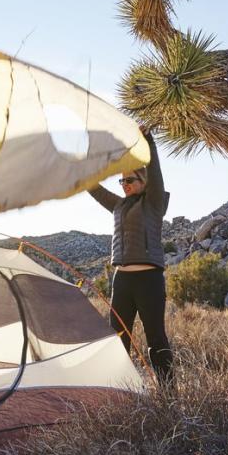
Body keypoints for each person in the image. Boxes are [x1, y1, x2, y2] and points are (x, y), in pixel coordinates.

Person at [87, 127, 173, 382]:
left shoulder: (154, 201)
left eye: (130, 181)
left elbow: (156, 172)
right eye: (121, 181)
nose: (124, 185)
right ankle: (119, 391)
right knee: (118, 338)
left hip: (149, 280)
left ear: (144, 182)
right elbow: (95, 190)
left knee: (156, 337)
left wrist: (149, 142)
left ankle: (168, 394)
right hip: (121, 280)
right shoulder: (119, 205)